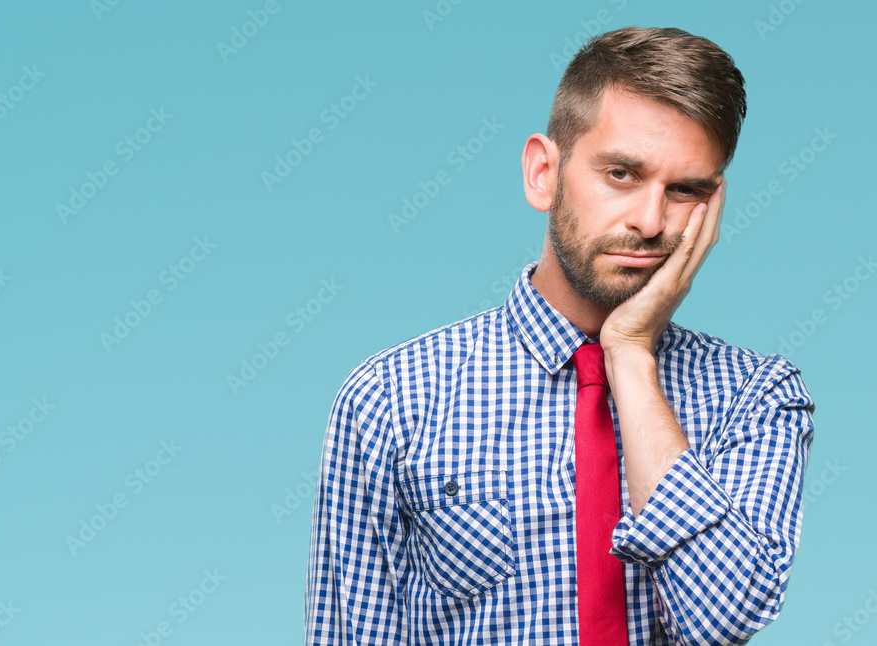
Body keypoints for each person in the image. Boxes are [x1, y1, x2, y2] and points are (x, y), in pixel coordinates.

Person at [304, 26, 815, 646]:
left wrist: (629, 356)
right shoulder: (391, 399)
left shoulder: (756, 397)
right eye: (622, 174)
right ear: (544, 173)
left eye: (685, 190)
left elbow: (720, 621)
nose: (651, 222)